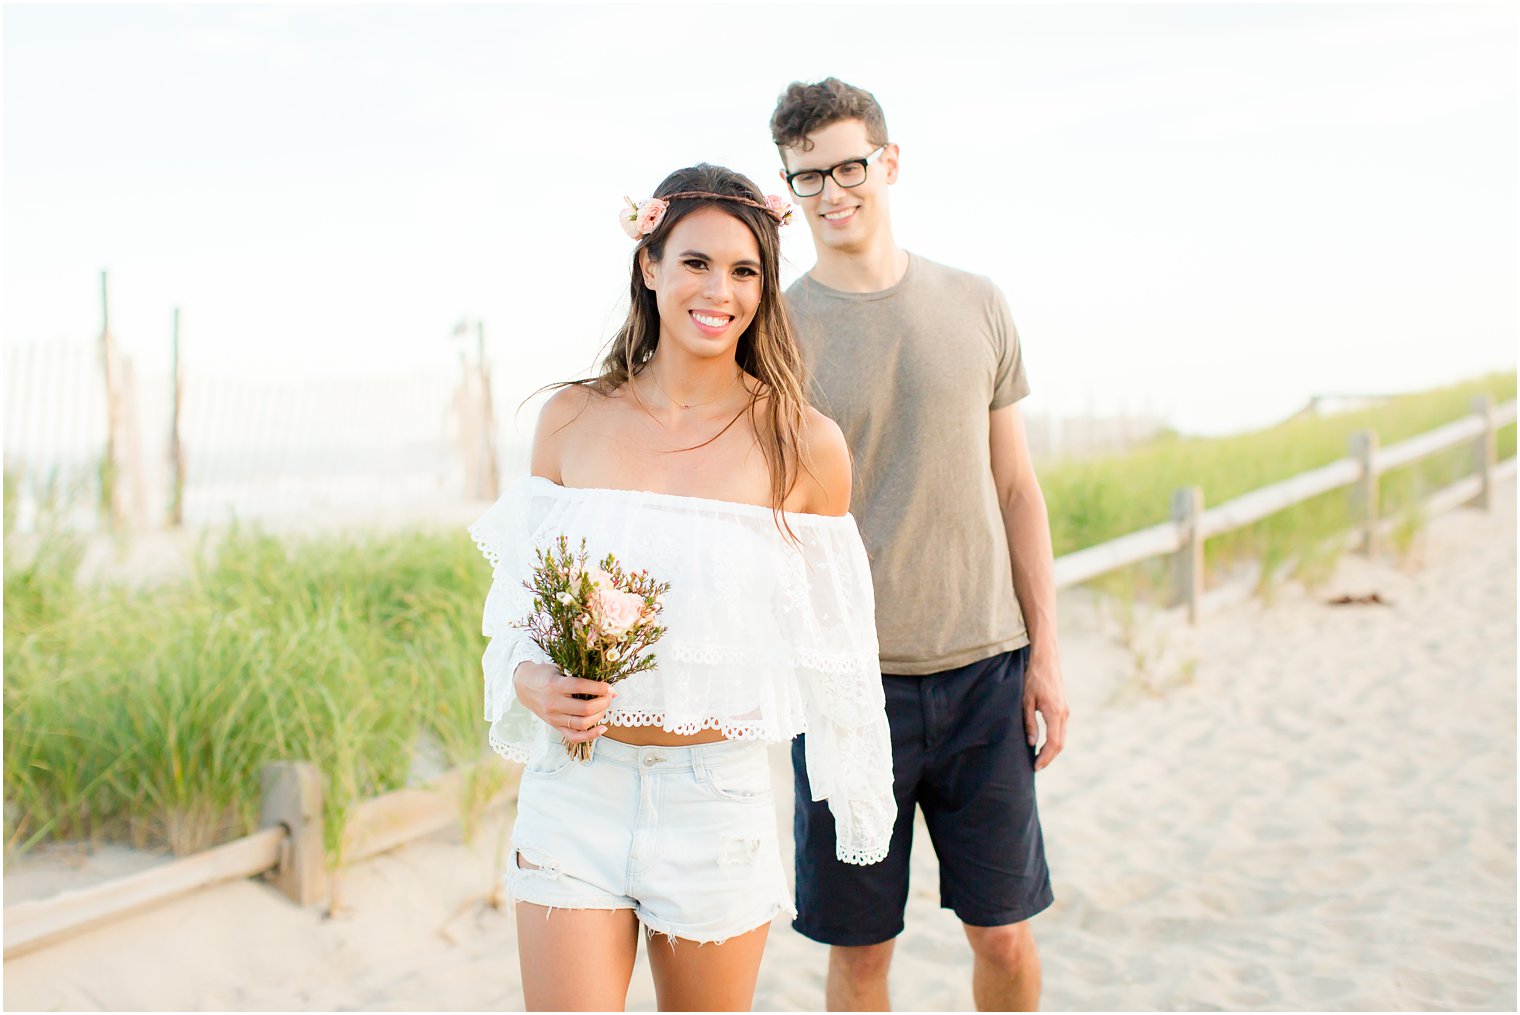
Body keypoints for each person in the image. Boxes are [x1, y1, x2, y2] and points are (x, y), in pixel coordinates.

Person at [469, 163, 896, 1013]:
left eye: (745, 271)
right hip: (574, 791)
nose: (720, 290)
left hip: (717, 802)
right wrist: (535, 682)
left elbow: (843, 658)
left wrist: (857, 810)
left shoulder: (804, 446)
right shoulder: (571, 421)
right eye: (696, 261)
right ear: (649, 265)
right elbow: (518, 617)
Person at [769, 78, 1072, 1011]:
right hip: (848, 692)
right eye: (807, 176)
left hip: (986, 670)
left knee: (1007, 939)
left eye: (849, 166)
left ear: (889, 163)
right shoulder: (773, 329)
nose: (833, 192)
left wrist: (1046, 656)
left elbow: (1017, 487)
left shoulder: (976, 301)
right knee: (861, 955)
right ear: (789, 186)